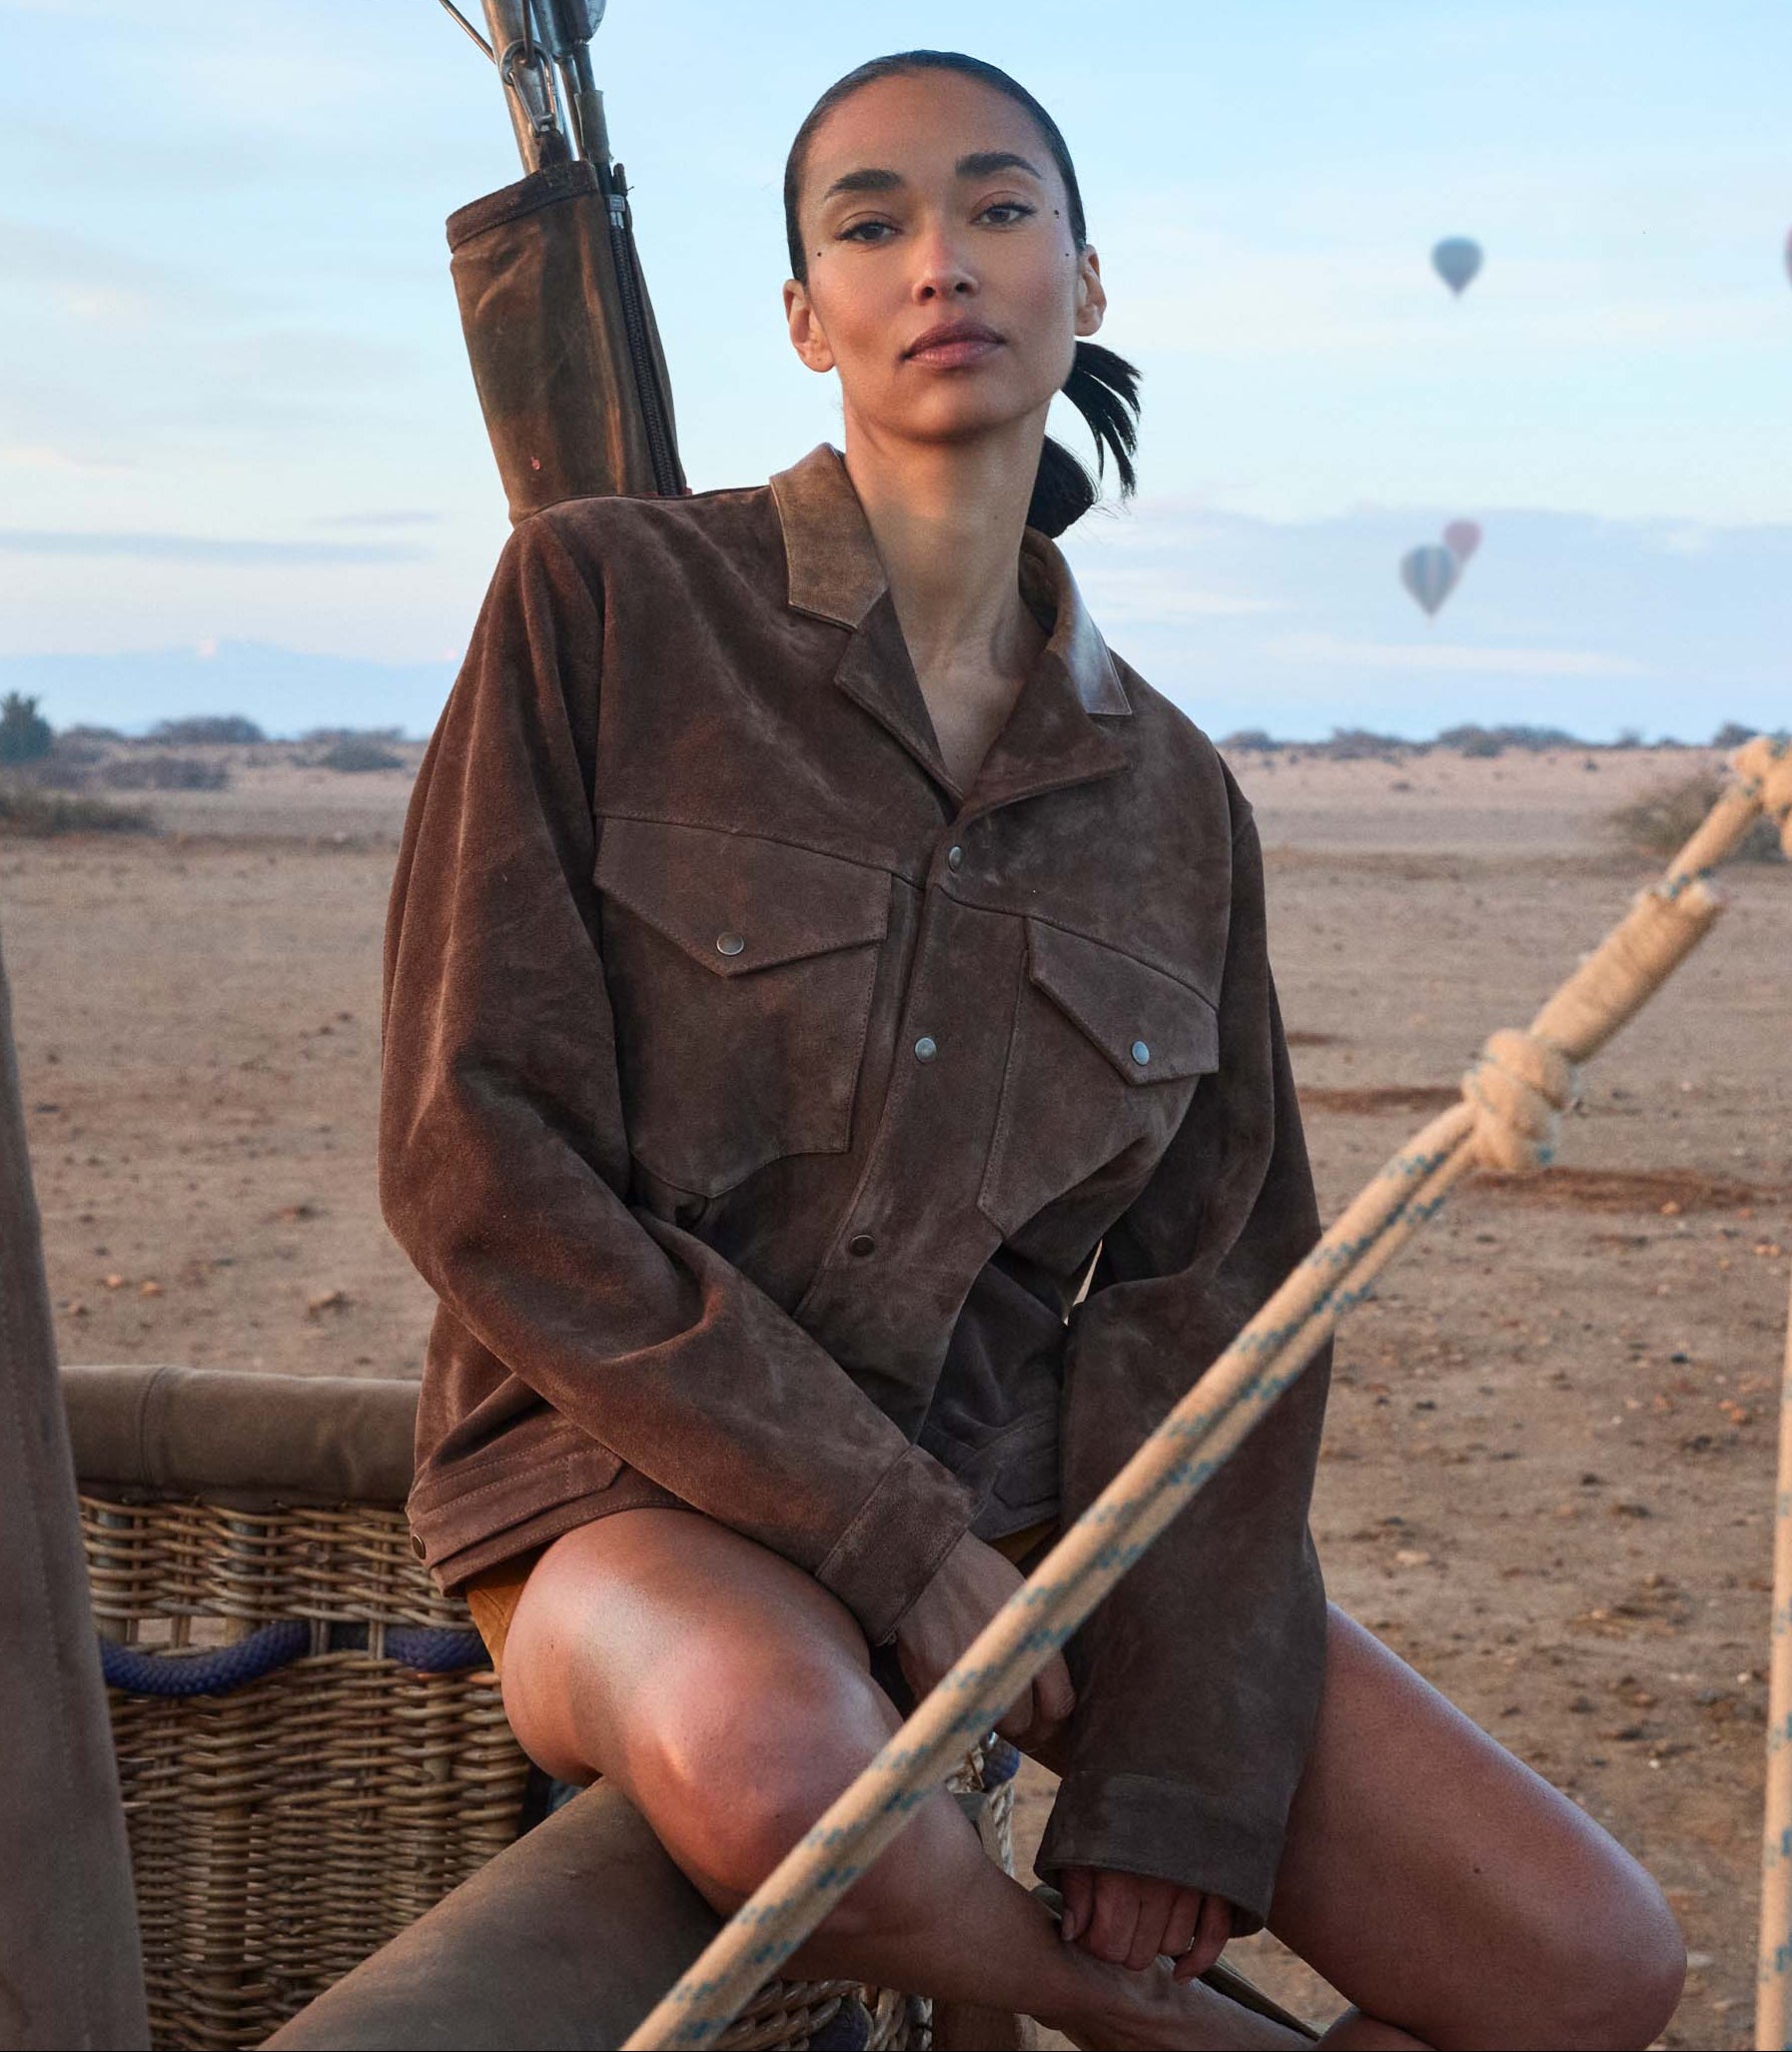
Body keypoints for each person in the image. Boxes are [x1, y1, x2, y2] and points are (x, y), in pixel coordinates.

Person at [379, 49, 1686, 2050]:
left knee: (1587, 1963)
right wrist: (883, 1536)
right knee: (775, 1764)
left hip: (1017, 1494)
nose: (941, 261)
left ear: (1084, 282)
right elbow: (477, 1155)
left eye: (997, 208)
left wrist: (1176, 1750)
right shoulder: (606, 602)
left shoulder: (1175, 799)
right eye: (871, 223)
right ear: (804, 314)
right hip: (613, 1479)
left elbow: (1218, 1306)